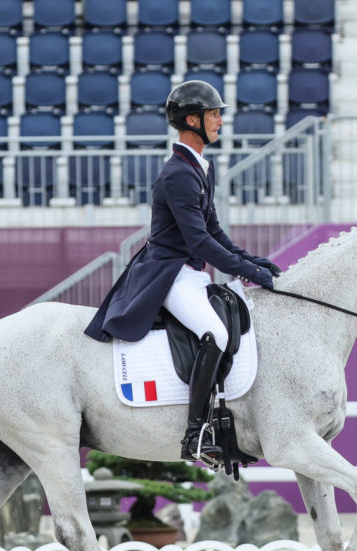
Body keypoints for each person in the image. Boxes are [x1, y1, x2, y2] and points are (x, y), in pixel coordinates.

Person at [84, 80, 282, 462]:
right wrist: (249, 273)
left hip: (189, 271)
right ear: (192, 120)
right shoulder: (178, 174)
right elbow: (199, 243)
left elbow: (215, 231)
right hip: (168, 272)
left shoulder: (199, 167)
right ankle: (195, 434)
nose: (220, 121)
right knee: (216, 332)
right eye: (214, 114)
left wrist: (251, 260)